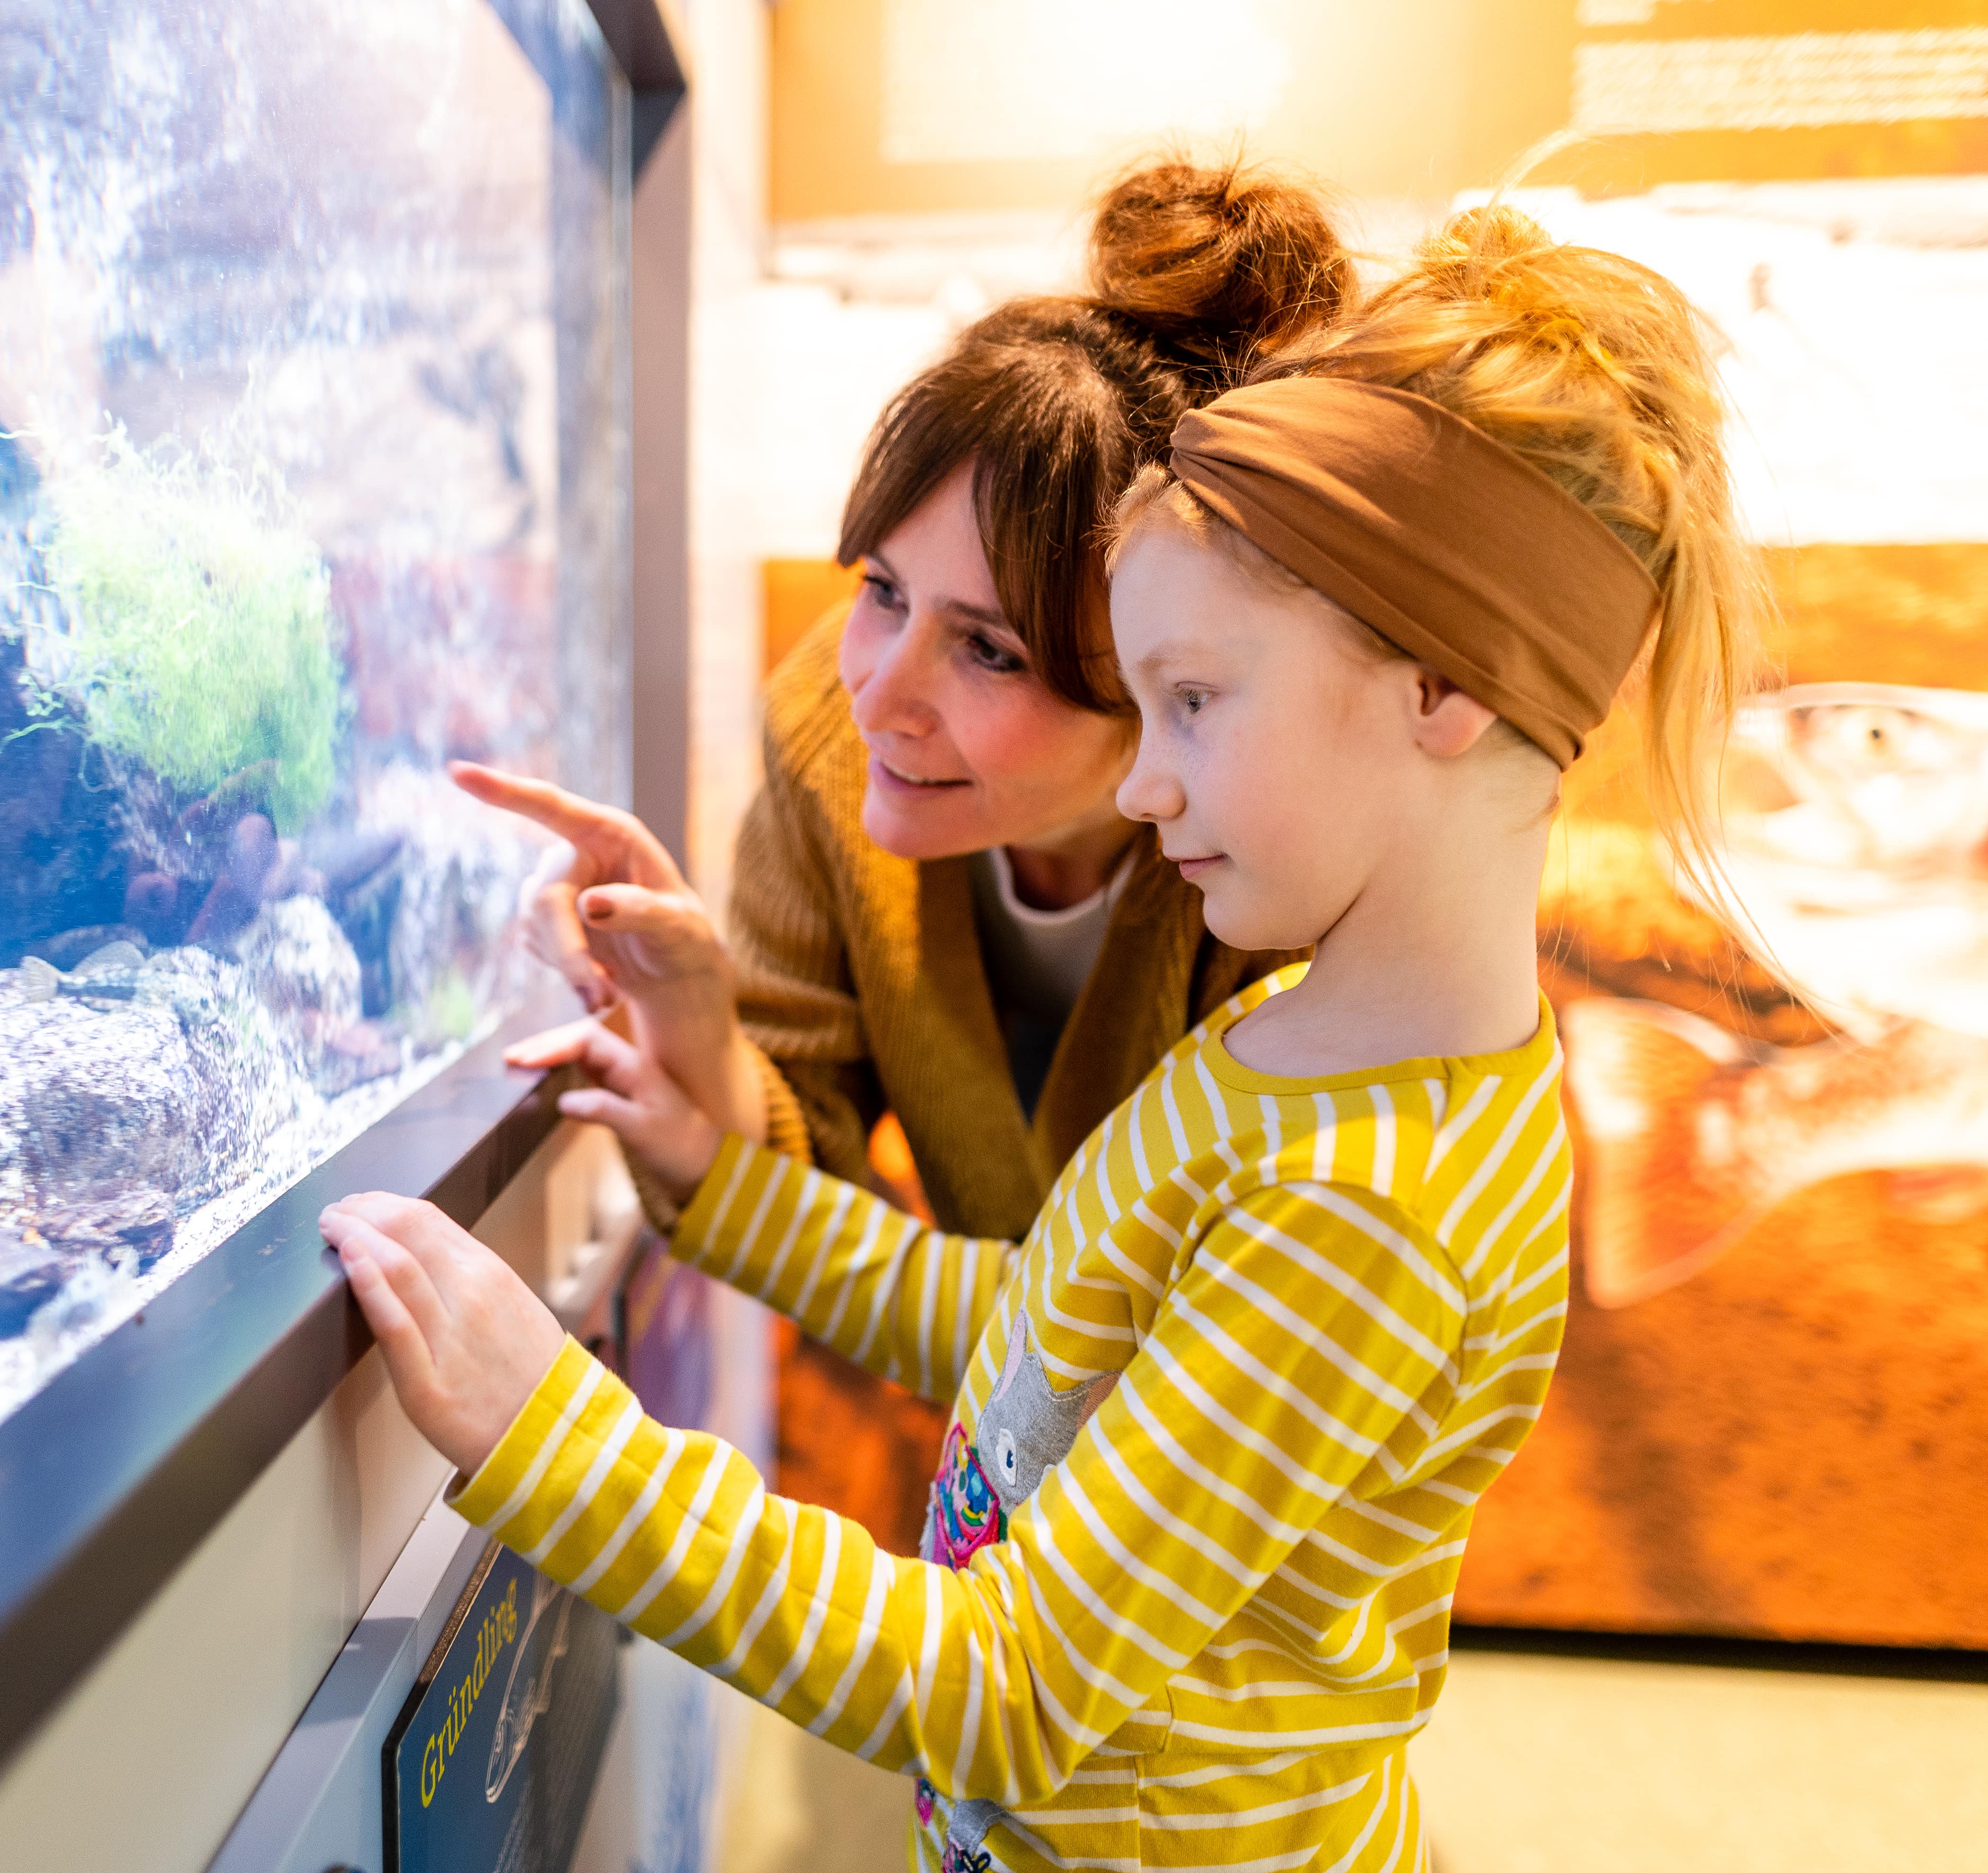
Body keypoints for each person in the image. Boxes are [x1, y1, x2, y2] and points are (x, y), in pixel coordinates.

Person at [324, 204, 1763, 1873]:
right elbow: (1050, 1335)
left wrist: (556, 1443)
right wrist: (727, 1183)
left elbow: (1008, 1690)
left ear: (1443, 688)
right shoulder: (1300, 1054)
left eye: (1195, 704)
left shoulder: (1361, 1208)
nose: (1155, 788)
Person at [461, 158, 1352, 1545]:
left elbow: (1167, 1362)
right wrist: (700, 1025)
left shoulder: (1294, 887)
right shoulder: (834, 729)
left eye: (989, 648)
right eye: (882, 590)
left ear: (1167, 682)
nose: (881, 688)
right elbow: (791, 1178)